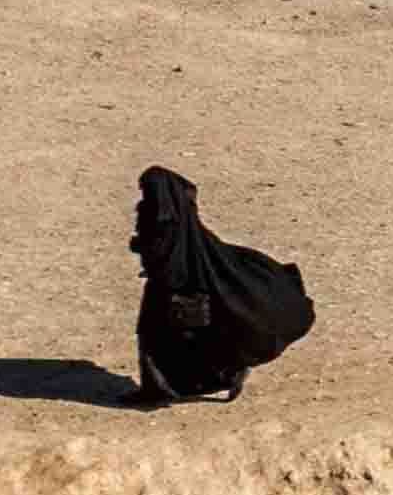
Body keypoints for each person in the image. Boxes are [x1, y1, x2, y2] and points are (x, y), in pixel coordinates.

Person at [129, 165, 316, 406]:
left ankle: (157, 392)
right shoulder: (178, 213)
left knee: (159, 338)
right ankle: (214, 378)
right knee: (196, 338)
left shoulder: (163, 218)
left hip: (176, 287)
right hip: (185, 285)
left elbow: (164, 253)